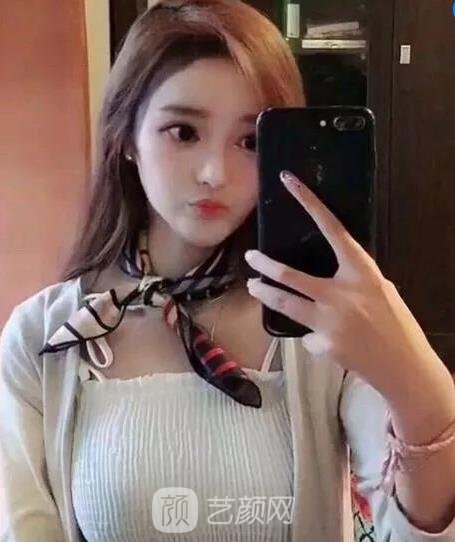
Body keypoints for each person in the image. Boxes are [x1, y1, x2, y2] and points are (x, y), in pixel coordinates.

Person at [0, 1, 454, 541]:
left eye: (250, 141)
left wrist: (413, 377)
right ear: (126, 138)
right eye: (183, 131)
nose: (215, 173)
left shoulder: (317, 323)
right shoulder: (44, 338)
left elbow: (413, 531)